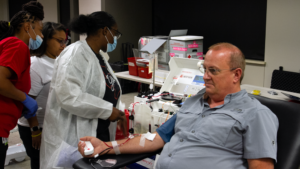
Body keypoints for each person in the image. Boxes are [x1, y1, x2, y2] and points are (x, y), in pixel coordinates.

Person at [78, 43, 279, 169]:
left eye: (213, 71)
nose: (205, 76)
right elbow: (155, 139)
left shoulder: (256, 114)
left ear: (236, 75)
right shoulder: (194, 101)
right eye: (204, 69)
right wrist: (105, 147)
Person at [40, 11, 127, 169]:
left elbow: (105, 90)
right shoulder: (75, 54)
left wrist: (119, 111)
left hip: (98, 133)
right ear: (104, 31)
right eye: (115, 33)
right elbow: (68, 96)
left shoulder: (98, 56)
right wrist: (108, 111)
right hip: (74, 136)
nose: (115, 39)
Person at [0, 1, 44, 168]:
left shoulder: (9, 44)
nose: (40, 37)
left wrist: (19, 102)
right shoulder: (18, 45)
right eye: (39, 31)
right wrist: (24, 98)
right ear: (27, 27)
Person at [17, 22, 67, 169]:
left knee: (53, 162)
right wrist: (35, 130)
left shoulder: (58, 61)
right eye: (59, 41)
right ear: (45, 39)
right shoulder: (36, 65)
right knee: (40, 163)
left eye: (65, 41)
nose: (63, 45)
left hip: (53, 125)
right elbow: (27, 101)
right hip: (36, 128)